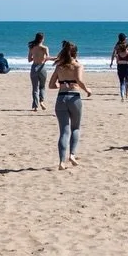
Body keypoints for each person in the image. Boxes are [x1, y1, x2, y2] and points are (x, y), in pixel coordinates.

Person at [48, 41, 92, 170]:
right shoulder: (78, 66)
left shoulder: (59, 66)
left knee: (64, 131)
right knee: (76, 128)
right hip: (74, 98)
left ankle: (61, 161)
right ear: (75, 53)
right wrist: (87, 90)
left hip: (61, 98)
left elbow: (51, 85)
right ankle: (72, 154)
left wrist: (61, 84)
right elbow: (79, 80)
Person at [27, 33, 52, 111]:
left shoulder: (32, 47)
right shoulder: (45, 48)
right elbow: (47, 57)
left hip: (34, 67)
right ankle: (42, 101)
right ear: (42, 39)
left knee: (35, 88)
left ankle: (35, 106)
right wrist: (55, 58)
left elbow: (29, 60)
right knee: (42, 86)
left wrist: (35, 56)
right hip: (42, 67)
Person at [110, 33, 128, 100]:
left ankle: (123, 95)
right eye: (126, 37)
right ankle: (126, 92)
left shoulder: (117, 46)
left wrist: (112, 62)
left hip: (120, 64)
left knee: (121, 81)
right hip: (127, 64)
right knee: (126, 80)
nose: (127, 38)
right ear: (124, 38)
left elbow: (113, 54)